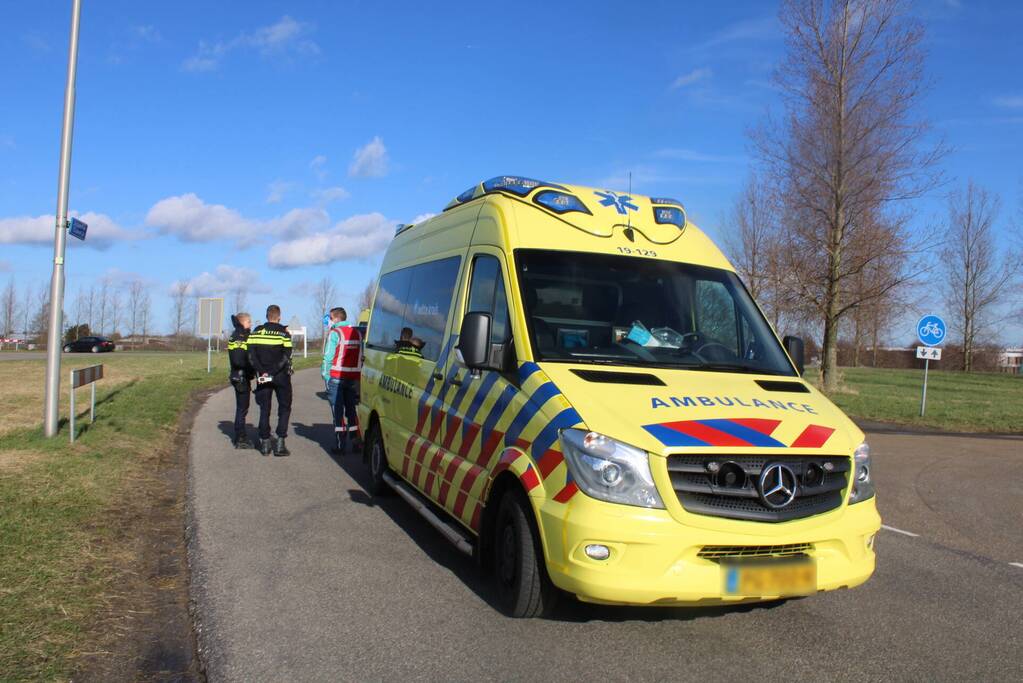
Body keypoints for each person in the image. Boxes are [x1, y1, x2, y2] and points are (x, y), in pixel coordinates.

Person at [248, 304, 293, 456]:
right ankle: (280, 444)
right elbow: (286, 355)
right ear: (279, 317)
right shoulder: (284, 333)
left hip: (262, 375)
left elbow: (251, 356)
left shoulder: (256, 332)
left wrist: (262, 371)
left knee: (264, 408)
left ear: (266, 316)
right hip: (281, 376)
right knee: (284, 408)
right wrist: (273, 371)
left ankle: (265, 443)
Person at [322, 306, 363, 453]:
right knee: (351, 410)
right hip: (353, 378)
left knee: (337, 411)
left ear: (336, 318)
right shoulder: (357, 333)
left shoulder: (335, 333)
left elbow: (328, 357)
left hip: (336, 378)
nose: (329, 321)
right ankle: (356, 441)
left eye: (330, 318)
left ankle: (340, 445)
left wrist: (325, 375)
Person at [227, 312, 255, 449]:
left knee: (242, 408)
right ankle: (240, 438)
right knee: (242, 408)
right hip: (240, 377)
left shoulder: (240, 334)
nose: (251, 324)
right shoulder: (239, 336)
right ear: (243, 322)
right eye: (249, 322)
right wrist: (251, 366)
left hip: (240, 376)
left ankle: (240, 435)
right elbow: (238, 360)